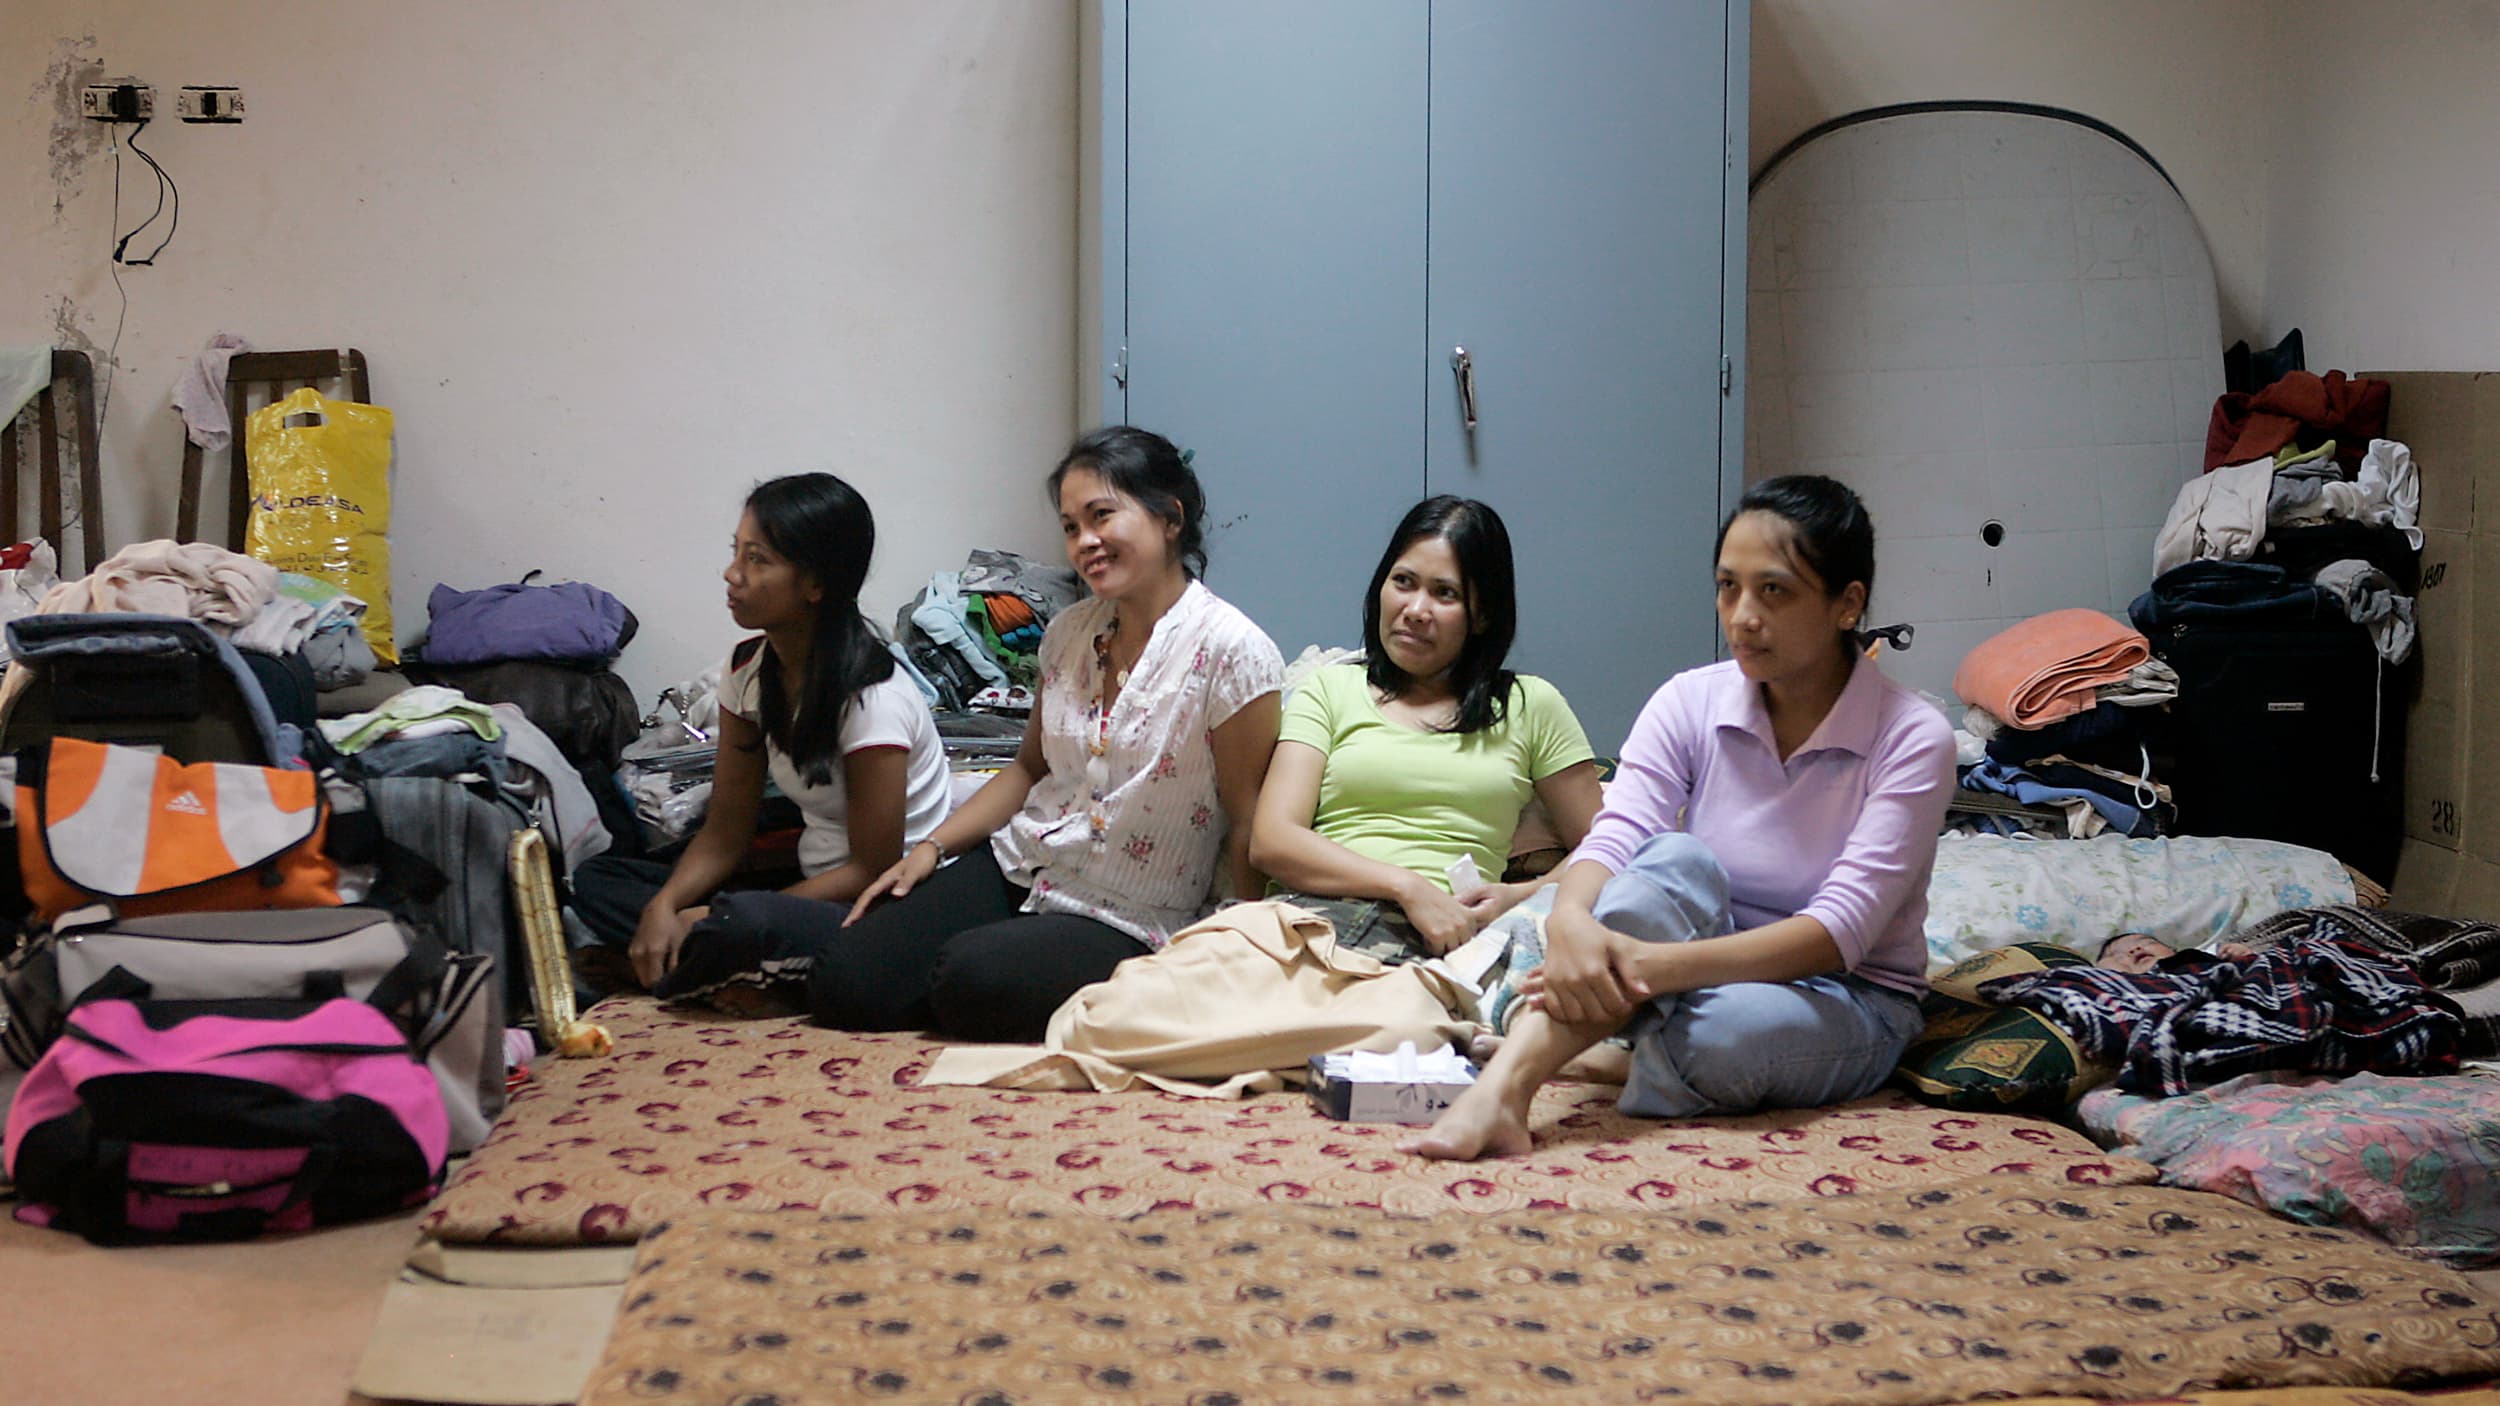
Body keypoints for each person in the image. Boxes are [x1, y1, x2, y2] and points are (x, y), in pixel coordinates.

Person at [663, 426, 1284, 1042]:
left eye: (1101, 516)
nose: (1084, 541)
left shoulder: (1232, 650)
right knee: (849, 984)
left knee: (971, 979)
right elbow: (1026, 770)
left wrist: (1242, 949)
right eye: (1070, 526)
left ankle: (1094, 980)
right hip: (1022, 859)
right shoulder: (1069, 632)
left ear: (1169, 517)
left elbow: (1247, 818)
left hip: (1127, 906)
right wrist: (931, 850)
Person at [1404, 474, 1956, 1161]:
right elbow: (1617, 832)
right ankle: (1506, 1091)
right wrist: (1571, 923)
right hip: (1682, 955)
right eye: (1729, 586)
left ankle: (1614, 1056)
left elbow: (1837, 933)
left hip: (1844, 994)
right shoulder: (1691, 700)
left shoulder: (1913, 736)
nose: (1742, 614)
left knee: (1720, 1039)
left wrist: (1651, 969)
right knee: (1675, 862)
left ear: (1848, 605)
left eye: (1774, 590)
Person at [568, 473, 953, 996]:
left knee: (738, 922)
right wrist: (667, 906)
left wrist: (716, 914)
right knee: (598, 880)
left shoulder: (872, 699)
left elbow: (871, 868)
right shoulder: (747, 668)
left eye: (758, 559)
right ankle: (701, 958)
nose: (732, 574)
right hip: (806, 877)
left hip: (878, 902)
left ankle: (696, 959)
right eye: (737, 552)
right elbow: (726, 830)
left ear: (816, 583)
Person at [1250, 496, 1604, 961]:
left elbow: (1609, 847)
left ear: (1482, 615)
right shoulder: (1329, 687)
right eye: (1403, 582)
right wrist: (1405, 885)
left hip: (1431, 939)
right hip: (1301, 921)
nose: (1416, 609)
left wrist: (1520, 895)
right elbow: (1273, 839)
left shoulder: (1530, 704)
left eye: (1445, 593)